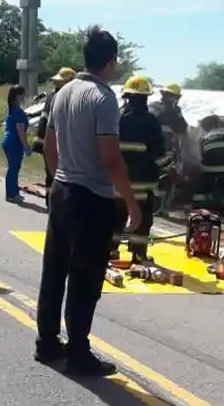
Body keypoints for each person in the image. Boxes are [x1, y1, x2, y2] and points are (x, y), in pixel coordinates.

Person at [35, 25, 141, 377]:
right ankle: (79, 353)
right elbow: (111, 157)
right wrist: (131, 203)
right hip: (90, 199)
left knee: (54, 271)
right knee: (85, 279)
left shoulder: (64, 93)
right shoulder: (103, 98)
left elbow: (49, 146)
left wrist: (58, 177)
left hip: (62, 190)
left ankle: (47, 343)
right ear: (110, 62)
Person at [109, 75, 173, 264]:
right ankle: (138, 254)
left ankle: (110, 251)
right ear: (146, 98)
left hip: (118, 183)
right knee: (142, 220)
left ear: (126, 97)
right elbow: (158, 153)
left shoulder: (116, 119)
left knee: (116, 218)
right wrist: (171, 170)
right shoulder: (150, 122)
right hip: (143, 184)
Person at [33, 67, 76, 195]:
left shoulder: (52, 95)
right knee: (58, 175)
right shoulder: (62, 97)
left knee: (50, 174)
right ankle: (55, 201)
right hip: (55, 143)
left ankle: (50, 199)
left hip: (44, 140)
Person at [193, 115, 224, 217]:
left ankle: (197, 209)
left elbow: (202, 155)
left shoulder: (204, 138)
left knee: (202, 189)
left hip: (209, 169)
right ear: (218, 123)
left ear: (206, 127)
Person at [0, 85, 31, 203]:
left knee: (13, 167)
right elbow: (20, 131)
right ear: (18, 96)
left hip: (8, 140)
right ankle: (11, 194)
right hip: (14, 142)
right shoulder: (18, 111)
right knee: (14, 168)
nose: (25, 97)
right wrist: (26, 146)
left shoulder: (12, 108)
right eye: (23, 95)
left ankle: (13, 191)